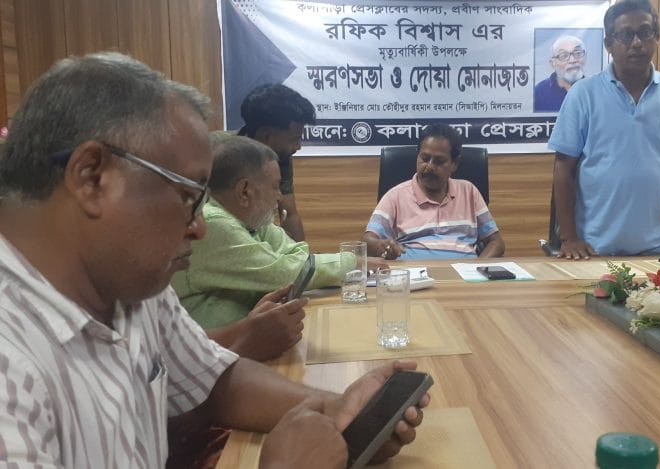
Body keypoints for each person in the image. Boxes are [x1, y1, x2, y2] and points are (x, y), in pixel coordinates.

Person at [0, 52, 426, 467]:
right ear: (92, 177)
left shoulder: (128, 286)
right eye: (188, 196)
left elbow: (215, 380)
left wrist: (337, 411)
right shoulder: (11, 367)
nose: (200, 228)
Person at [171, 133, 386, 360]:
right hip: (205, 361)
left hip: (242, 351)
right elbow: (285, 272)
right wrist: (352, 262)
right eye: (275, 187)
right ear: (245, 191)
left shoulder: (249, 218)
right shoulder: (212, 223)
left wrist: (295, 263)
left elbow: (298, 254)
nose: (280, 197)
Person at [548, 0, 660, 261]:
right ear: (608, 44)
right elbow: (563, 169)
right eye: (626, 35)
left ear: (656, 37)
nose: (637, 43)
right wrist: (569, 238)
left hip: (656, 249)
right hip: (593, 250)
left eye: (645, 32)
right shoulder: (583, 94)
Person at [364, 124, 505, 260]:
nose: (430, 166)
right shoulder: (395, 196)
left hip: (463, 274)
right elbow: (367, 241)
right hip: (413, 273)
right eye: (425, 159)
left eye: (439, 161)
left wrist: (476, 268)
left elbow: (496, 242)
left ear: (454, 164)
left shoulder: (469, 192)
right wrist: (381, 246)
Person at [238, 83, 314, 241]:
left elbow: (289, 214)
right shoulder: (218, 156)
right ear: (266, 136)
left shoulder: (280, 159)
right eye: (294, 139)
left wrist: (302, 254)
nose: (298, 147)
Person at [534, 35, 587, 112]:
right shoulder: (538, 93)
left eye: (578, 53)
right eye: (563, 56)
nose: (572, 60)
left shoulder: (595, 90)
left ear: (585, 56)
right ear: (552, 63)